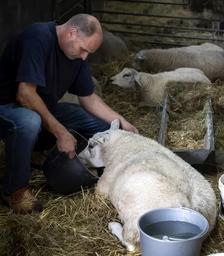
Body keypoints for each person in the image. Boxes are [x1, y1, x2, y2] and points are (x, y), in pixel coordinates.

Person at [0, 13, 138, 213]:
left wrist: (122, 122)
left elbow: (89, 98)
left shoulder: (76, 55)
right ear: (72, 32)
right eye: (84, 50)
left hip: (39, 109)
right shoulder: (37, 38)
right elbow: (25, 94)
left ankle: (111, 167)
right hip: (7, 108)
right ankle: (15, 190)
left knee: (96, 123)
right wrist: (61, 133)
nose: (85, 57)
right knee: (29, 121)